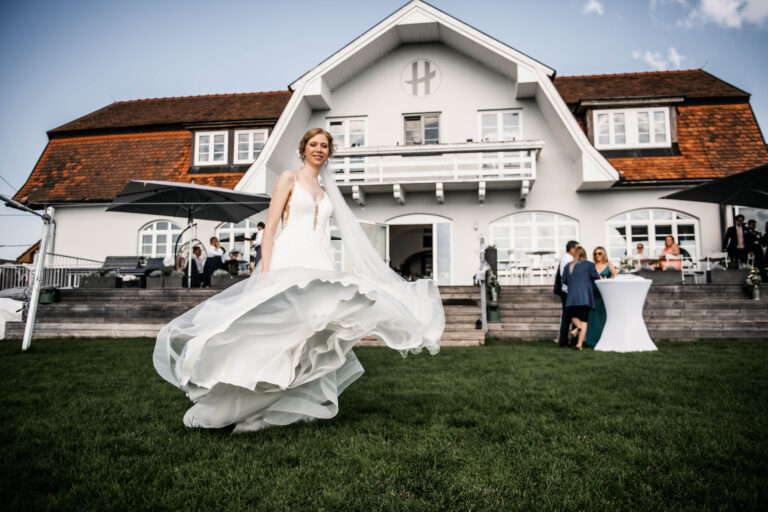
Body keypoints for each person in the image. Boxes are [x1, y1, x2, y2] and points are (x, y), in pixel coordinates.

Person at [153, 128, 444, 432]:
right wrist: (266, 270)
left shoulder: (328, 190)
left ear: (329, 152)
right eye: (314, 144)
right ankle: (242, 399)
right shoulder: (288, 179)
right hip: (289, 259)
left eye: (325, 146)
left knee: (312, 336)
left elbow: (347, 234)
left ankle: (286, 404)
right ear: (304, 149)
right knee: (276, 333)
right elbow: (271, 228)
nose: (319, 149)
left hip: (319, 262)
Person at [562, 247, 602, 351]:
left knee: (572, 317)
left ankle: (578, 328)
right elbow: (596, 277)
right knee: (584, 321)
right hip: (586, 296)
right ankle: (579, 344)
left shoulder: (568, 266)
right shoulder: (589, 265)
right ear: (584, 254)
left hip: (572, 297)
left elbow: (564, 280)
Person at [584, 247, 617, 348]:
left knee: (603, 317)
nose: (597, 255)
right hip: (592, 294)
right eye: (595, 254)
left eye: (599, 253)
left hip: (604, 295)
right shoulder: (591, 266)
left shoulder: (609, 265)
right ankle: (591, 341)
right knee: (592, 318)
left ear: (604, 254)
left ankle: (604, 339)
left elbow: (616, 278)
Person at [554, 240, 579, 347]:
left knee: (571, 317)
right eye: (577, 248)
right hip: (568, 292)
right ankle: (564, 341)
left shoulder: (569, 259)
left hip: (569, 291)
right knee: (567, 318)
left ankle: (571, 341)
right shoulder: (567, 259)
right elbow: (566, 276)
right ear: (572, 249)